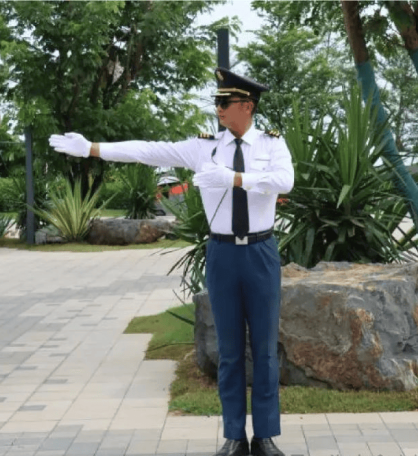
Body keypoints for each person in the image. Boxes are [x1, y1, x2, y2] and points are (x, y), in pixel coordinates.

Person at [49, 67, 293, 456]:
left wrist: (233, 179)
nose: (218, 108)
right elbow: (149, 150)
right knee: (229, 351)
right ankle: (234, 436)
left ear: (247, 106)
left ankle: (265, 436)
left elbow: (285, 181)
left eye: (225, 102)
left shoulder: (271, 144)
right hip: (223, 253)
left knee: (263, 349)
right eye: (216, 101)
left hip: (260, 251)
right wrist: (93, 148)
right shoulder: (203, 148)